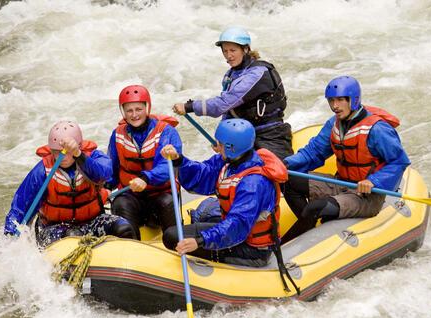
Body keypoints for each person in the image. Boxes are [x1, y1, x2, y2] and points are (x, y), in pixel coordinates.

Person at [282, 76, 411, 241]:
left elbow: (399, 162)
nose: (335, 106)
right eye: (331, 101)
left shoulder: (378, 129)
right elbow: (313, 152)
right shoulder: (334, 124)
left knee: (314, 208)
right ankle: (310, 228)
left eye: (340, 100)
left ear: (354, 100)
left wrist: (373, 182)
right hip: (340, 183)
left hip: (366, 196)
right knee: (286, 180)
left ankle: (284, 246)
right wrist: (286, 164)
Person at [160, 118, 288, 267]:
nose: (216, 147)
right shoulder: (229, 162)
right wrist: (179, 160)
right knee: (171, 235)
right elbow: (203, 176)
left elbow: (238, 224)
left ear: (231, 148)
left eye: (220, 144)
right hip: (234, 232)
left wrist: (200, 241)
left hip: (251, 249)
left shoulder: (253, 183)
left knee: (173, 237)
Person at [4, 121, 136, 245]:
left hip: (92, 222)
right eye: (56, 152)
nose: (62, 157)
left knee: (124, 229)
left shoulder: (94, 157)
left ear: (79, 146)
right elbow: (20, 207)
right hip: (54, 229)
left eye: (68, 152)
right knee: (74, 236)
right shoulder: (42, 171)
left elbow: (104, 173)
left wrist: (79, 155)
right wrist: (10, 235)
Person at [172, 26, 293, 160]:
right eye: (225, 51)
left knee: (281, 174)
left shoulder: (257, 73)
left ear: (245, 49)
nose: (228, 55)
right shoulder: (231, 74)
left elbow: (223, 104)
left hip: (270, 135)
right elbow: (228, 111)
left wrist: (189, 107)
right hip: (244, 136)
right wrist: (223, 138)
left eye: (233, 50)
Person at [107, 85, 183, 239]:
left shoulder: (166, 132)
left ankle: (174, 242)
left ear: (147, 108)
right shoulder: (117, 135)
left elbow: (166, 167)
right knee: (119, 203)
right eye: (129, 110)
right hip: (131, 197)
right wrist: (106, 187)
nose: (134, 115)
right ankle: (131, 249)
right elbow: (112, 168)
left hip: (160, 196)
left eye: (138, 109)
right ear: (123, 112)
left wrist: (145, 178)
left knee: (167, 202)